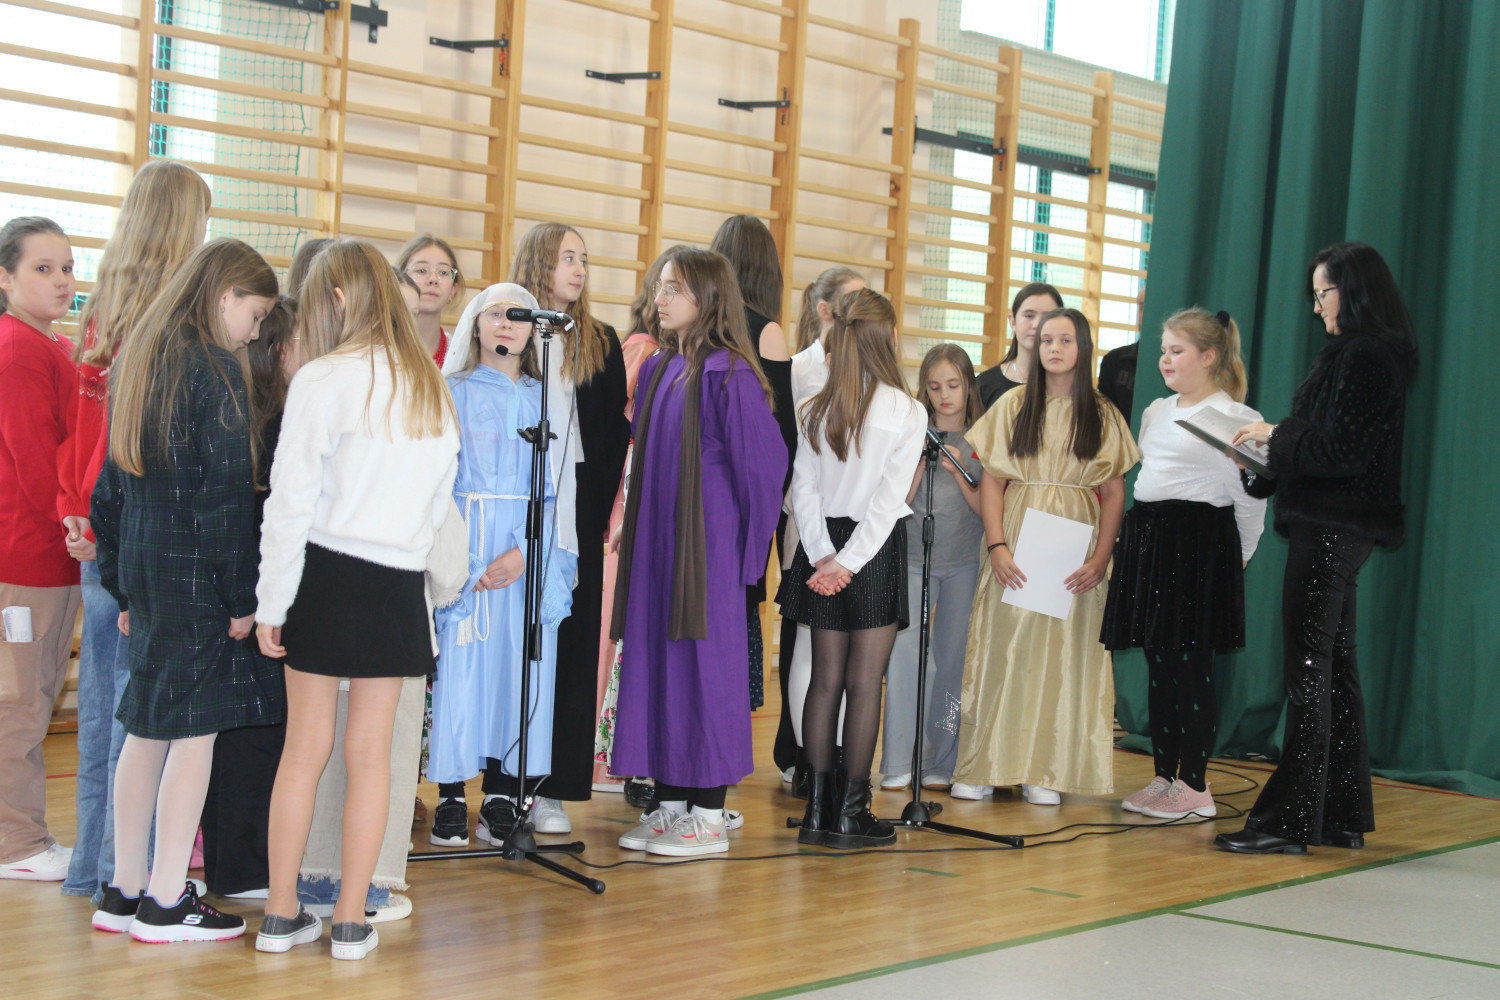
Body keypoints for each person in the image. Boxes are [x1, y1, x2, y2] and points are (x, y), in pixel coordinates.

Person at [254, 238, 458, 960]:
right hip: (396, 585)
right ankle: (349, 921)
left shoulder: (323, 378)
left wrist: (272, 601)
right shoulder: (429, 384)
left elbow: (290, 503)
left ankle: (280, 915)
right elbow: (437, 508)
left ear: (337, 298)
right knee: (372, 758)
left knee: (302, 751)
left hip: (325, 578)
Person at [88, 237, 280, 940]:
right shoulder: (213, 369)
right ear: (226, 296)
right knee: (194, 738)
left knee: (145, 730)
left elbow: (106, 491)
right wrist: (241, 600)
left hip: (146, 568)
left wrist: (122, 585)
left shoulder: (142, 356)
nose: (254, 334)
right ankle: (168, 898)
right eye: (254, 316)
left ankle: (124, 889)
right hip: (197, 577)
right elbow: (223, 502)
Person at [1214, 242, 1416, 855]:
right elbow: (1320, 450)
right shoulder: (1359, 355)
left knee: (1309, 669)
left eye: (1323, 292)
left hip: (1332, 528)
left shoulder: (1364, 356)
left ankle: (1289, 821)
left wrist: (1276, 435)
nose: (1317, 305)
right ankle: (1339, 814)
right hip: (1337, 526)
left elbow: (1340, 453)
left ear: (1352, 292)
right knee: (1334, 670)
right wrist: (1258, 460)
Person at [53, 161, 211, 900]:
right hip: (138, 531)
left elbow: (79, 434)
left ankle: (92, 866)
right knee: (138, 713)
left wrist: (77, 509)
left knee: (101, 706)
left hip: (93, 525)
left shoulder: (102, 306)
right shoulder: (173, 315)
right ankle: (130, 872)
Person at [610, 247, 786, 857]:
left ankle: (708, 816)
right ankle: (669, 806)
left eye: (675, 289)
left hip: (705, 552)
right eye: (659, 286)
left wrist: (743, 558)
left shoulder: (729, 374)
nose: (660, 298)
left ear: (708, 298)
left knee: (706, 673)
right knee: (660, 669)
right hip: (658, 548)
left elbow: (763, 470)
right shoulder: (660, 369)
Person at [952, 307, 1139, 804]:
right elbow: (992, 481)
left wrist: (1100, 558)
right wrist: (997, 545)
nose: (1054, 348)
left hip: (1075, 547)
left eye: (1066, 340)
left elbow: (1114, 493)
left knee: (1061, 656)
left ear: (1083, 348)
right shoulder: (1014, 404)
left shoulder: (1102, 413)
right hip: (1017, 537)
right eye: (1047, 340)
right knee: (1002, 648)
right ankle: (985, 763)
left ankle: (1044, 768)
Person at [1101, 307, 1266, 820]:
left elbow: (1250, 498)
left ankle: (1194, 786)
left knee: (1191, 666)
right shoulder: (1156, 410)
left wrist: (1240, 556)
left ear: (1209, 356)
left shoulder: (1233, 417)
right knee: (1159, 662)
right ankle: (1163, 776)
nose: (1165, 360)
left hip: (1197, 546)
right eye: (1163, 351)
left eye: (1177, 351)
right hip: (1152, 541)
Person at [426, 283, 577, 845]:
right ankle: (449, 795)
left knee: (518, 671)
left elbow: (562, 489)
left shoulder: (548, 400)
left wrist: (527, 550)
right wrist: (460, 557)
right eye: (494, 314)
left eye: (516, 315)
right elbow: (435, 479)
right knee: (461, 672)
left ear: (533, 329)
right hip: (464, 545)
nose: (505, 324)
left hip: (524, 549)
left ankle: (499, 794)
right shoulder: (451, 392)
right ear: (475, 324)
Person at [779, 288, 925, 848]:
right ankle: (851, 813)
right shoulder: (906, 411)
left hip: (825, 550)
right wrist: (847, 563)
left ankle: (817, 811)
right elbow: (889, 503)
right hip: (871, 551)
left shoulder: (815, 406)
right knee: (864, 684)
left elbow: (803, 491)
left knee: (824, 680)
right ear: (888, 337)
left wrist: (823, 556)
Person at [497, 222, 628, 837]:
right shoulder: (508, 328)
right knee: (515, 646)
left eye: (583, 258)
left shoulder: (598, 340)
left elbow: (610, 437)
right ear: (537, 263)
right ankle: (503, 787)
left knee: (571, 648)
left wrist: (592, 514)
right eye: (565, 257)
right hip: (513, 508)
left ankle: (552, 787)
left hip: (575, 512)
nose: (577, 269)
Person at [199, 297, 296, 900]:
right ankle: (241, 868)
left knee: (248, 732)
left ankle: (237, 863)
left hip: (248, 593)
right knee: (252, 732)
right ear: (278, 351)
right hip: (250, 597)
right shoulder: (263, 421)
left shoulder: (257, 412)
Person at [0, 217, 82, 883]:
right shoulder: (18, 350)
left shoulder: (51, 345)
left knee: (34, 696)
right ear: (5, 278)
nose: (61, 281)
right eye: (43, 268)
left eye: (67, 267)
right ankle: (16, 843)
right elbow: (36, 465)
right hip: (27, 559)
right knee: (21, 702)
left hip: (50, 559)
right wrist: (74, 525)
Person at [879, 344, 985, 792]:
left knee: (951, 662)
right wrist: (919, 465)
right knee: (904, 657)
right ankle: (899, 759)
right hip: (912, 561)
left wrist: (958, 470)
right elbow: (895, 502)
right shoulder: (911, 433)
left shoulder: (982, 438)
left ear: (968, 387)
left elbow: (986, 507)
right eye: (935, 387)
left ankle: (943, 759)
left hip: (963, 563)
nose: (944, 396)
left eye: (953, 385)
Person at [776, 266, 866, 792]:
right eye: (853, 302)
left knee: (851, 653)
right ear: (826, 310)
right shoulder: (799, 370)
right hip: (810, 524)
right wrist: (815, 541)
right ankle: (809, 761)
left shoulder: (877, 378)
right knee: (809, 644)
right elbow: (793, 461)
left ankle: (842, 761)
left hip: (862, 533)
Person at [594, 248, 674, 792]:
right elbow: (617, 420)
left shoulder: (667, 355)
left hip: (643, 493)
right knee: (611, 625)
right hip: (629, 494)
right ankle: (604, 756)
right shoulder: (644, 349)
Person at [710, 215, 794, 713]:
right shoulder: (765, 331)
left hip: (700, 493)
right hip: (743, 502)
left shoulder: (700, 325)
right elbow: (780, 438)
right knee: (736, 609)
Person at [975, 281, 1064, 411]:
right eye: (1029, 316)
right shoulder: (985, 384)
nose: (1036, 325)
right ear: (1013, 322)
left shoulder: (1070, 388)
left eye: (1047, 317)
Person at [396, 233, 465, 366]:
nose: (433, 279)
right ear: (400, 280)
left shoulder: (461, 359)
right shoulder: (378, 350)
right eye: (421, 270)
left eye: (443, 272)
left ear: (453, 290)